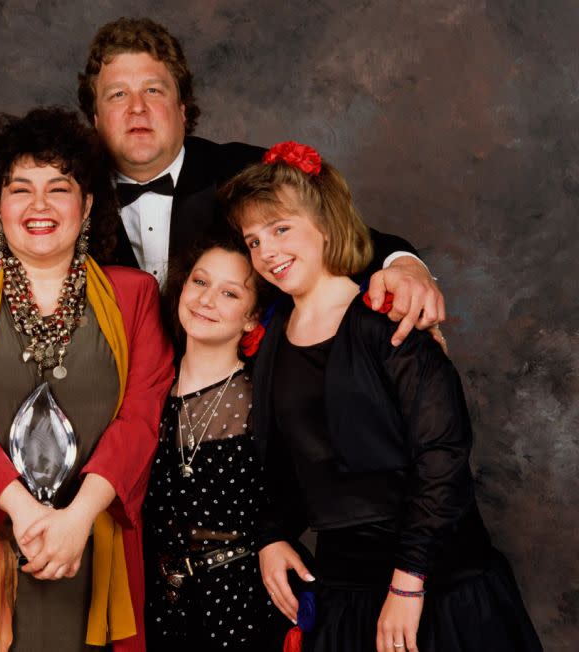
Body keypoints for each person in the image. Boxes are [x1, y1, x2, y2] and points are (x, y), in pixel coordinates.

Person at [0, 17, 444, 349]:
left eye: (154, 91)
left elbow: (346, 234)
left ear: (183, 105)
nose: (138, 110)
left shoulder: (242, 174)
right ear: (94, 114)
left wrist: (406, 264)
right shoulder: (58, 193)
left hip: (240, 433)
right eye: (118, 96)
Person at [223, 141, 542, 652]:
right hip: (345, 592)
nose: (268, 253)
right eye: (254, 241)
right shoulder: (273, 340)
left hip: (434, 585)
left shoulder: (388, 320)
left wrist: (408, 581)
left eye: (280, 229)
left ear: (325, 223)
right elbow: (290, 465)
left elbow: (442, 457)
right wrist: (271, 535)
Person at [0, 106, 174, 651]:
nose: (39, 206)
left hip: (91, 542)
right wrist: (25, 514)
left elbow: (141, 421)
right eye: (20, 189)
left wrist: (74, 522)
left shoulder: (134, 296)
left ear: (89, 203)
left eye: (59, 188)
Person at [142, 233, 293, 651]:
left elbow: (295, 495)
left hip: (239, 601)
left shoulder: (262, 398)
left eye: (229, 293)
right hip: (158, 602)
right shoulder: (147, 387)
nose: (206, 300)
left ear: (251, 317)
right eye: (199, 282)